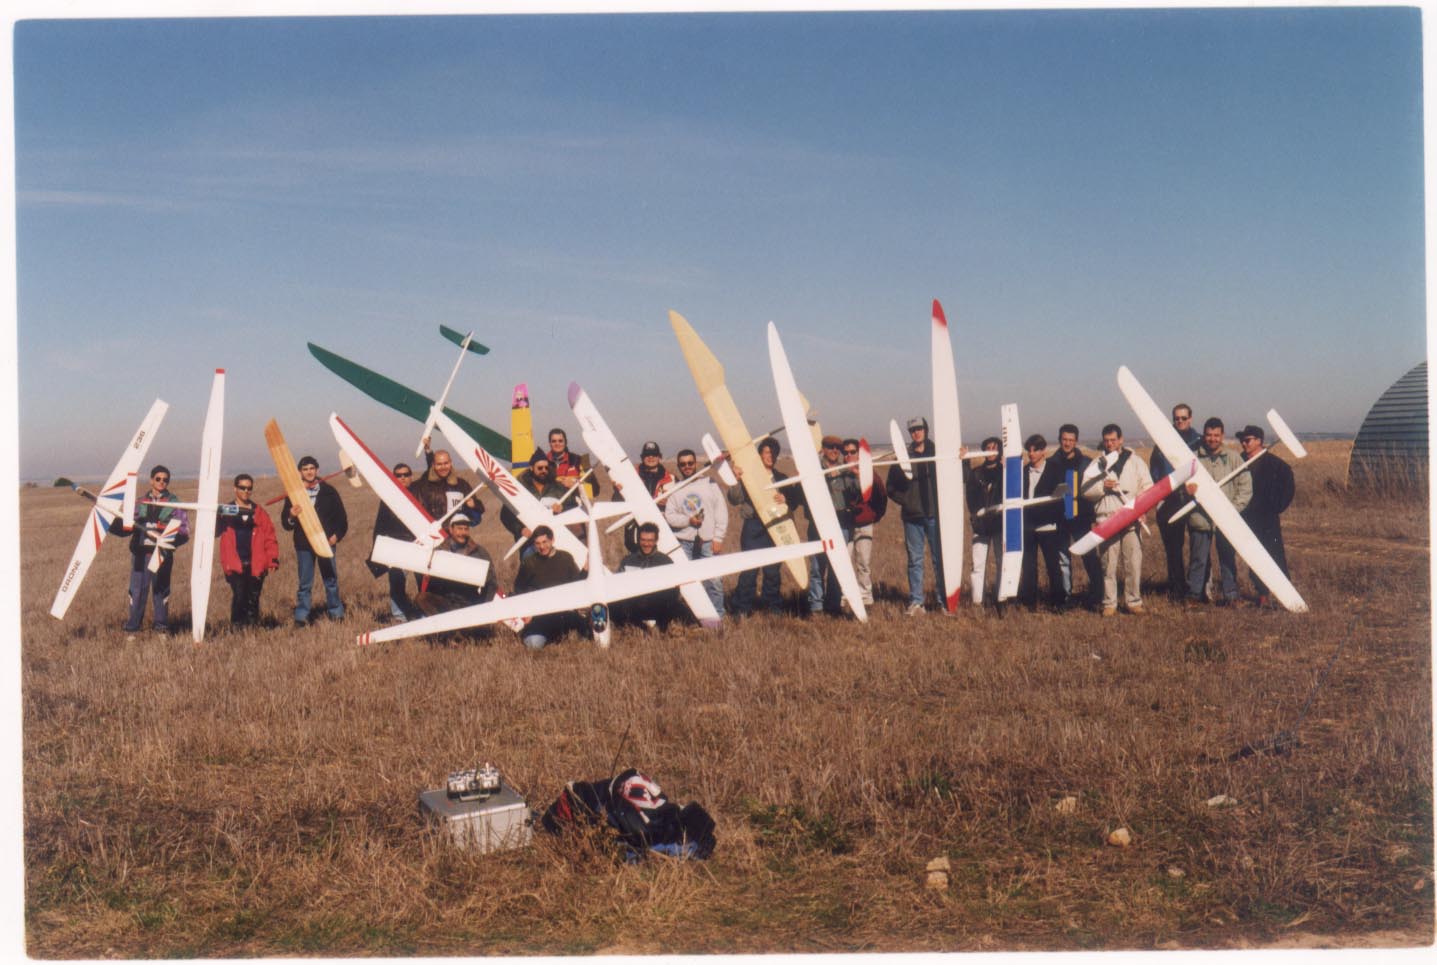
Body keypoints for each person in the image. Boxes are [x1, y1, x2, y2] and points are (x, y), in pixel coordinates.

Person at [1081, 424, 1152, 616]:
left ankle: (1133, 601)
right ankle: (1109, 603)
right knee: (1108, 565)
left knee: (1133, 563)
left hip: (1131, 520)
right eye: (1107, 441)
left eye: (1113, 440)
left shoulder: (1136, 462)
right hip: (1108, 520)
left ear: (1121, 440)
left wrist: (1142, 509)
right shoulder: (1097, 464)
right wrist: (1102, 486)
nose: (1110, 444)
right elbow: (1085, 491)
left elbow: (1148, 488)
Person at [1184, 417, 1251, 606]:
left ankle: (1231, 595)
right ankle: (1194, 596)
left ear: (1222, 436)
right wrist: (1186, 491)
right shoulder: (1193, 458)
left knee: (1227, 558)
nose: (1212, 438)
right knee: (1198, 559)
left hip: (1226, 520)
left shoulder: (1233, 458)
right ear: (1203, 435)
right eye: (1209, 435)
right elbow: (1181, 484)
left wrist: (1232, 510)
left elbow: (1245, 487)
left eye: (1216, 435)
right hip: (1200, 518)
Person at [116, 464, 189, 634]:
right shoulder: (139, 502)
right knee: (137, 592)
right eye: (158, 479)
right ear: (151, 480)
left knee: (161, 592)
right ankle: (133, 629)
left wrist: (168, 539)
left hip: (162, 553)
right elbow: (125, 527)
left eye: (165, 480)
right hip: (141, 555)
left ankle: (161, 629)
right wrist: (110, 522)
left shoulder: (174, 503)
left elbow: (184, 531)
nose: (162, 482)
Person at [728, 437, 797, 616]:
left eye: (773, 453)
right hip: (753, 526)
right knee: (749, 570)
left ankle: (773, 608)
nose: (770, 456)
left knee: (773, 570)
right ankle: (741, 609)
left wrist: (786, 500)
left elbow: (793, 502)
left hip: (775, 526)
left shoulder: (782, 478)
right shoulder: (748, 476)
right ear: (759, 455)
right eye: (766, 452)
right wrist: (735, 479)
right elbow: (734, 499)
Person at [281, 455, 348, 625]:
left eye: (312, 468)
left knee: (330, 580)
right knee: (305, 583)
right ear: (299, 472)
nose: (309, 472)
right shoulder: (293, 493)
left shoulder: (329, 491)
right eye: (305, 469)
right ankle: (302, 616)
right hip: (304, 545)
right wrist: (291, 515)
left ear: (317, 470)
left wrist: (335, 536)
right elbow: (286, 524)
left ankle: (336, 613)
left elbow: (342, 520)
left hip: (326, 543)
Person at [886, 416, 943, 616]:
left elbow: (955, 475)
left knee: (940, 560)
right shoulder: (903, 456)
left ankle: (943, 600)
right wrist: (908, 500)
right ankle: (916, 602)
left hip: (935, 515)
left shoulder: (937, 452)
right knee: (915, 560)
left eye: (919, 428)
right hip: (912, 518)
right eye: (912, 430)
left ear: (926, 430)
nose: (916, 432)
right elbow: (890, 488)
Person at [664, 448, 729, 617]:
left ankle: (717, 617)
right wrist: (688, 521)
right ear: (678, 466)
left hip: (708, 541)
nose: (687, 467)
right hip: (684, 542)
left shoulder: (710, 483)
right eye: (683, 464)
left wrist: (718, 537)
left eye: (690, 463)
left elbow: (721, 511)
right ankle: (692, 616)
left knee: (713, 581)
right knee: (687, 583)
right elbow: (670, 516)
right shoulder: (675, 489)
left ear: (696, 464)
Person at [1237, 424, 1296, 607]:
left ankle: (1284, 594)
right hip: (1247, 517)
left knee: (1275, 554)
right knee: (1255, 557)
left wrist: (1276, 507)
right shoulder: (1239, 462)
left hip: (1267, 518)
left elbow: (1288, 486)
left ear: (1259, 441)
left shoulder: (1275, 464)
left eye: (1248, 440)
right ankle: (1262, 594)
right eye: (1242, 440)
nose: (1244, 444)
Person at [1048, 425, 1103, 610]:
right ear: (1059, 439)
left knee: (1089, 556)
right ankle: (1065, 598)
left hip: (1082, 519)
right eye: (1064, 439)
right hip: (1060, 518)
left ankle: (1098, 595)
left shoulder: (1087, 463)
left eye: (1071, 440)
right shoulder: (1051, 463)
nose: (1067, 443)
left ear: (1076, 441)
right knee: (1063, 558)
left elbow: (1095, 489)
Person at [1150, 403, 1202, 600]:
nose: (1180, 421)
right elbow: (1155, 469)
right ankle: (1177, 588)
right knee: (1173, 547)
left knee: (1198, 545)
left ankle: (1199, 588)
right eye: (1176, 418)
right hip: (1170, 499)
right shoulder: (1163, 442)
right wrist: (1161, 493)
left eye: (1183, 418)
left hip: (1193, 497)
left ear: (1190, 419)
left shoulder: (1199, 442)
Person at [216, 473, 279, 627]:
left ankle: (252, 630)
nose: (246, 491)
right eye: (242, 488)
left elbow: (270, 537)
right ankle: (236, 629)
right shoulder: (226, 510)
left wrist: (272, 560)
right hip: (235, 562)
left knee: (253, 597)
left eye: (249, 488)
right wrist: (216, 515)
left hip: (256, 563)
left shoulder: (259, 512)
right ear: (235, 489)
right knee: (239, 596)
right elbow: (214, 532)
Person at [808, 435, 860, 615]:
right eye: (830, 447)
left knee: (837, 566)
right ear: (823, 449)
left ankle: (833, 605)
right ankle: (816, 606)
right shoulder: (813, 469)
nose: (835, 451)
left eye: (838, 448)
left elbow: (857, 491)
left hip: (841, 523)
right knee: (817, 567)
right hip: (818, 524)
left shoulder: (845, 470)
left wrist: (857, 474)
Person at [513, 525, 586, 650]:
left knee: (587, 636)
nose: (542, 547)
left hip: (565, 612)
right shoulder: (529, 563)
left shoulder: (565, 557)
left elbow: (576, 584)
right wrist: (527, 611)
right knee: (533, 644)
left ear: (552, 540)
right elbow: (519, 588)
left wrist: (585, 571)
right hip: (541, 615)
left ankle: (564, 632)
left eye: (545, 542)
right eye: (537, 543)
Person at [413, 512, 498, 616]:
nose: (462, 532)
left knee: (477, 630)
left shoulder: (479, 552)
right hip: (445, 600)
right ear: (451, 530)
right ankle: (443, 628)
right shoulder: (439, 551)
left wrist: (483, 608)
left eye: (466, 529)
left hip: (468, 602)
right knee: (422, 598)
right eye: (459, 528)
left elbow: (492, 582)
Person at [1017, 434, 1066, 610]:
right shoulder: (1022, 472)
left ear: (1043, 451)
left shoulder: (1055, 470)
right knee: (1029, 566)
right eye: (1029, 450)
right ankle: (1030, 602)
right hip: (1028, 527)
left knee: (1053, 565)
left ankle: (1058, 602)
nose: (1031, 453)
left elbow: (1062, 496)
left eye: (1035, 450)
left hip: (1048, 527)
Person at [369, 461, 420, 622]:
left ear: (411, 477)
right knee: (397, 581)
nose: (402, 478)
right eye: (398, 475)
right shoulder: (387, 498)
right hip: (396, 546)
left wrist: (428, 453)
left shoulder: (419, 494)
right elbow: (380, 524)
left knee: (423, 581)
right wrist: (377, 548)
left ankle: (424, 611)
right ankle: (399, 615)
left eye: (406, 475)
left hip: (417, 544)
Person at [614, 522, 682, 630]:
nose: (646, 544)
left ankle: (660, 626)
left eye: (650, 540)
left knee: (673, 596)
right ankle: (633, 626)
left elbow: (675, 590)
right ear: (639, 540)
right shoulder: (628, 560)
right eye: (643, 540)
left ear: (656, 541)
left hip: (656, 604)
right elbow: (616, 584)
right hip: (634, 604)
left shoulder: (665, 561)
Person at [843, 438, 886, 606]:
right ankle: (846, 594)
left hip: (864, 523)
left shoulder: (869, 472)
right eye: (845, 453)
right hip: (846, 524)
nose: (849, 455)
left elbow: (881, 494)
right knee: (845, 559)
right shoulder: (841, 473)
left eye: (852, 452)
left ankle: (865, 595)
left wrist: (875, 516)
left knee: (863, 562)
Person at [501, 449, 567, 556]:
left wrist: (561, 509)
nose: (544, 470)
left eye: (546, 468)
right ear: (531, 468)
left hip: (554, 543)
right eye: (540, 468)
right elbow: (505, 515)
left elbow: (572, 506)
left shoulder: (557, 487)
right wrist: (520, 530)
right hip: (529, 545)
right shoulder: (520, 489)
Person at [411, 443, 484, 531]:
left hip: (456, 537)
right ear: (433, 465)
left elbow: (475, 519)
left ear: (451, 462)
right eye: (439, 464)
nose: (443, 467)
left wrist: (474, 506)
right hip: (432, 535)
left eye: (446, 463)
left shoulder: (462, 485)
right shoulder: (424, 485)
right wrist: (428, 451)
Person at [966, 437, 1003, 606]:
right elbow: (971, 499)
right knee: (978, 565)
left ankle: (1000, 598)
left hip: (1000, 524)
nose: (991, 451)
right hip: (981, 526)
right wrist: (977, 515)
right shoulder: (976, 473)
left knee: (1002, 562)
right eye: (988, 447)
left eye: (994, 448)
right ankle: (977, 601)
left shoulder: (1005, 472)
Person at [546, 427, 600, 502]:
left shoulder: (581, 460)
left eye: (560, 441)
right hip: (552, 507)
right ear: (549, 443)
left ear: (566, 442)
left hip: (575, 508)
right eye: (554, 441)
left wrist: (575, 486)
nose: (557, 443)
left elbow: (595, 489)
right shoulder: (542, 464)